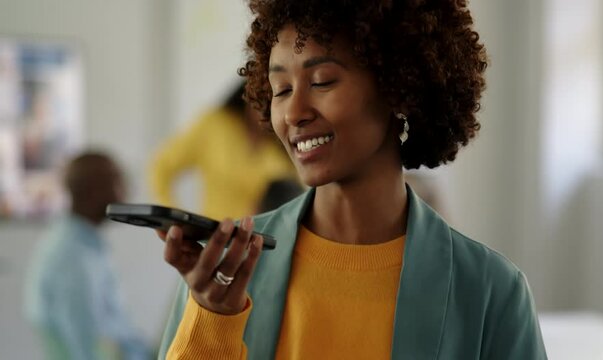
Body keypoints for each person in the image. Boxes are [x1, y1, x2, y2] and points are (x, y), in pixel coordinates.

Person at [157, 0, 547, 359]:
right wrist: (212, 319)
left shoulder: (491, 291)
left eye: (322, 81)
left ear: (399, 87)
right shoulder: (225, 272)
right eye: (281, 89)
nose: (293, 113)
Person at [24, 152, 150, 360]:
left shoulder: (82, 245)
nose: (125, 190)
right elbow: (84, 348)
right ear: (93, 191)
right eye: (117, 181)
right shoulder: (72, 259)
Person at [148, 81, 294, 220]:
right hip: (211, 238)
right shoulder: (215, 125)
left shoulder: (285, 143)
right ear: (248, 93)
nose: (266, 108)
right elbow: (162, 166)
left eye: (276, 99)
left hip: (262, 241)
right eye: (262, 97)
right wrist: (174, 218)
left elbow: (300, 200)